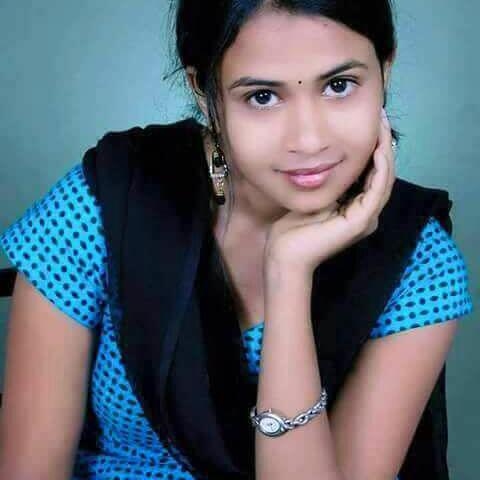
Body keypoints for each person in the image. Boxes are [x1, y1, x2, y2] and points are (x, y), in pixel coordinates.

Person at [0, 1, 474, 479]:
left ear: (384, 71)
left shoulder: (420, 264)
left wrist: (288, 274)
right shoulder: (106, 201)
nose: (309, 140)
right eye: (263, 97)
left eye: (339, 85)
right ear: (204, 93)